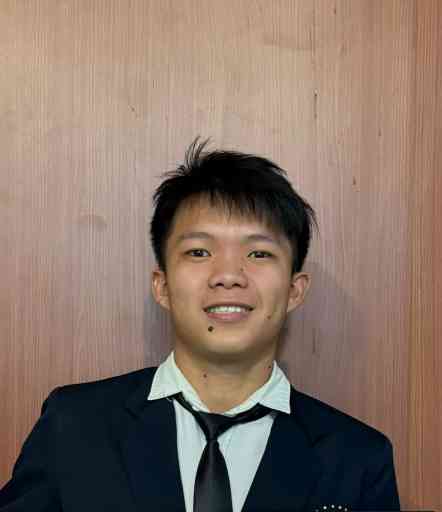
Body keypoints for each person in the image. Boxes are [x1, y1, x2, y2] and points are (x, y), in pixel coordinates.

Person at [0, 139, 400, 511]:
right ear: (162, 286)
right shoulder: (74, 425)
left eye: (259, 253)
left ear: (295, 290)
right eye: (199, 252)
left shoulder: (357, 457)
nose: (228, 275)